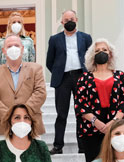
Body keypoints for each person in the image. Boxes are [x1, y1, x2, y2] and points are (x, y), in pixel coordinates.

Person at [74, 38, 124, 162]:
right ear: (92, 55)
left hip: (117, 131)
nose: (101, 53)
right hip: (91, 130)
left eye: (104, 49)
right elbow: (80, 106)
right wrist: (97, 122)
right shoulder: (84, 78)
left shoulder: (120, 76)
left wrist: (113, 123)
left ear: (110, 53)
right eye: (98, 50)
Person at [46, 9, 92, 154]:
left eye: (72, 19)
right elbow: (49, 61)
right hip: (63, 79)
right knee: (61, 114)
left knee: (82, 113)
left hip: (81, 77)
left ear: (76, 19)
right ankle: (58, 146)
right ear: (62, 22)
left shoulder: (86, 38)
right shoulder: (54, 39)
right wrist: (58, 72)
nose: (69, 22)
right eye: (66, 20)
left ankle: (83, 146)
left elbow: (91, 58)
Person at [0, 35, 46, 142]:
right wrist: (11, 117)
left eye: (16, 45)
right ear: (4, 51)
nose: (13, 48)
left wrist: (23, 115)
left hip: (31, 125)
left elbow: (40, 93)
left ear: (22, 49)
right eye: (9, 46)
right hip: (2, 127)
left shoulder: (36, 69)